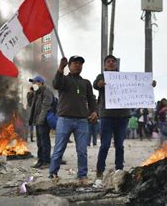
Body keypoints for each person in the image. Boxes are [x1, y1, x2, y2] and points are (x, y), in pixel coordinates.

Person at [49, 56, 98, 184]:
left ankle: (82, 175)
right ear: (69, 65)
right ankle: (53, 173)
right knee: (59, 149)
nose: (78, 65)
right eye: (75, 63)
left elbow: (92, 99)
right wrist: (60, 68)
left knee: (82, 151)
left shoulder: (86, 83)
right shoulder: (64, 80)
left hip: (82, 121)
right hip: (65, 119)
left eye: (80, 63)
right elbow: (55, 84)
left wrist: (94, 111)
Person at [93, 55, 131, 184]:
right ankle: (99, 170)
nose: (111, 63)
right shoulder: (101, 76)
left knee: (119, 145)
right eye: (108, 61)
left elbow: (137, 87)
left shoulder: (124, 78)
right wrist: (100, 84)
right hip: (107, 116)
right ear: (104, 65)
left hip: (123, 116)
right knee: (105, 145)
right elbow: (95, 85)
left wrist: (149, 85)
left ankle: (119, 170)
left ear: (116, 64)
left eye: (113, 61)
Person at [27, 75, 54, 168]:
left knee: (44, 141)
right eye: (33, 82)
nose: (33, 84)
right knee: (39, 142)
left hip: (44, 121)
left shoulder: (47, 92)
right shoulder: (37, 93)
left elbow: (46, 107)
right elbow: (31, 105)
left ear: (41, 83)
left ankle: (46, 161)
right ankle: (40, 160)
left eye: (35, 82)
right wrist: (30, 94)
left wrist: (41, 120)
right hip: (37, 121)